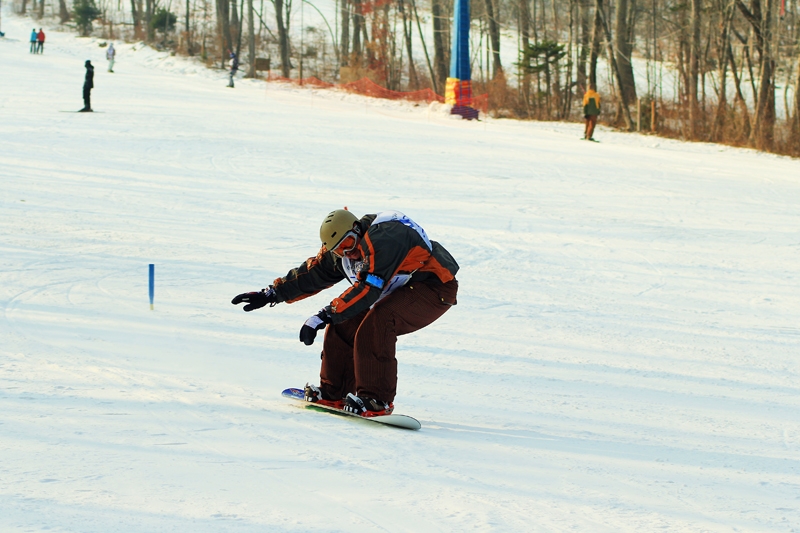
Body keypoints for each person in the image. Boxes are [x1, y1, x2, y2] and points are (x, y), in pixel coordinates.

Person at [232, 209, 459, 417]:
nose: (347, 253)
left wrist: (323, 315)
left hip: (433, 286)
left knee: (379, 321)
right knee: (343, 322)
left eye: (348, 243)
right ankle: (335, 391)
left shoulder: (385, 237)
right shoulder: (344, 253)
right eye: (339, 250)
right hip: (394, 288)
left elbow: (369, 288)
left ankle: (376, 400)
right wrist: (270, 294)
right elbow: (312, 274)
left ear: (357, 230)